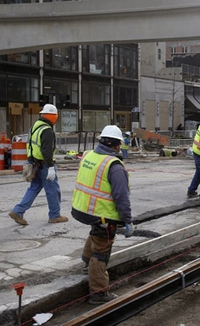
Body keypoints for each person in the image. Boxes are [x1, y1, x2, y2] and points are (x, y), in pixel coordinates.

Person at [71, 125, 134, 305]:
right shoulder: (114, 165)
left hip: (82, 208)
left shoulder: (89, 155)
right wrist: (127, 220)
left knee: (96, 234)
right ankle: (98, 293)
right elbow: (121, 197)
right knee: (101, 250)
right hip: (101, 214)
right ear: (116, 145)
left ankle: (86, 264)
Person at [9, 104, 68, 225]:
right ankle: (55, 215)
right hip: (44, 165)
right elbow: (46, 150)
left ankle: (18, 211)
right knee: (52, 190)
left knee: (34, 188)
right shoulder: (46, 130)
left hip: (35, 164)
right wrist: (50, 166)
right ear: (52, 116)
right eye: (55, 116)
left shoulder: (35, 127)